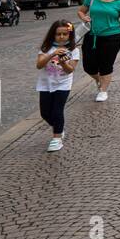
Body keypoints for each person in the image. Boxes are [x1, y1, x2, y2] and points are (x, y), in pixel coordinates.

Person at [36, 20, 80, 152]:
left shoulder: (73, 50)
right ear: (52, 35)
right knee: (45, 113)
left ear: (69, 35)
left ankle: (57, 139)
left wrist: (63, 62)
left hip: (63, 84)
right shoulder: (46, 48)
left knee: (57, 110)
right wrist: (52, 55)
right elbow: (39, 65)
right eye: (58, 34)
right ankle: (58, 127)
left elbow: (70, 69)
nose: (61, 37)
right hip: (45, 83)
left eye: (64, 34)